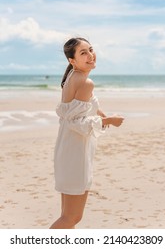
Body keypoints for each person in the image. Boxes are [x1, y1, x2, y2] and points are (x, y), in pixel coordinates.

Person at [50, 37, 124, 229]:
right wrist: (110, 121)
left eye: (90, 49)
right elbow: (77, 122)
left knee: (67, 216)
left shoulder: (73, 77)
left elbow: (74, 110)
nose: (91, 55)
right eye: (83, 53)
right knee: (71, 218)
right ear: (72, 61)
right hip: (75, 154)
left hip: (68, 150)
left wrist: (99, 112)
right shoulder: (85, 82)